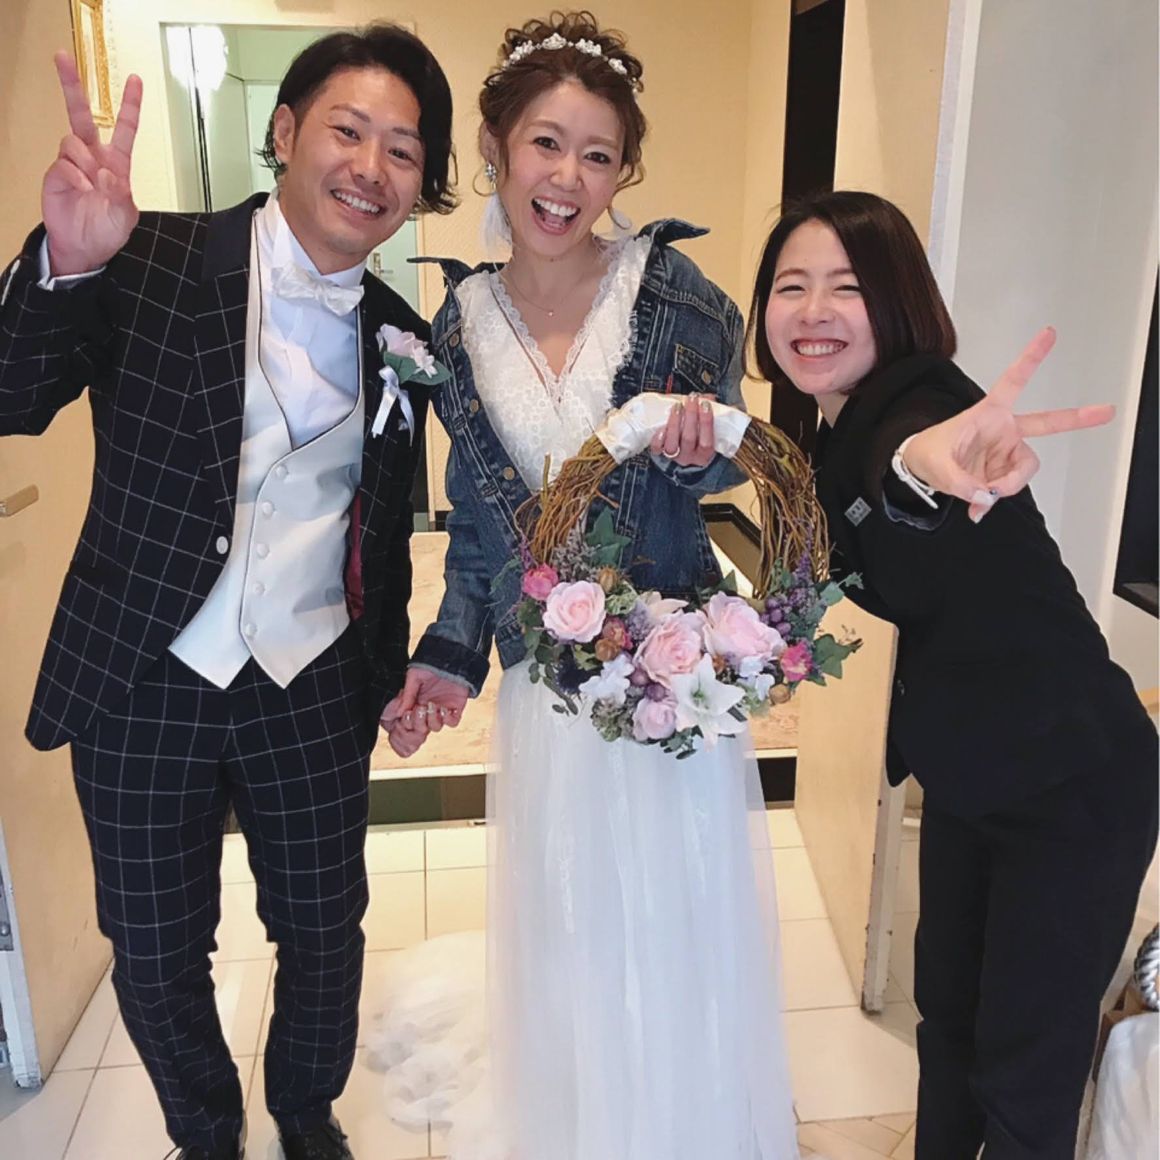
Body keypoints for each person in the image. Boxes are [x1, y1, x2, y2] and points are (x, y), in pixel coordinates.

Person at [0, 25, 456, 1160]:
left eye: (404, 150)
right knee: (155, 947)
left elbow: (381, 530)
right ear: (285, 132)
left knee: (325, 929)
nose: (371, 167)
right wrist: (64, 267)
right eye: (348, 130)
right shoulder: (144, 256)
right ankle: (206, 1134)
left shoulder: (404, 336)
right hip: (141, 673)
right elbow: (12, 396)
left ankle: (305, 1113)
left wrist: (390, 671)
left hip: (312, 678)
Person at [374, 12, 800, 1159]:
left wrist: (701, 451)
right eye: (546, 144)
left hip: (665, 667)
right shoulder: (457, 323)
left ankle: (679, 1118)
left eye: (598, 154)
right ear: (496, 145)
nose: (567, 177)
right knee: (569, 913)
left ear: (624, 172)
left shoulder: (675, 295)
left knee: (674, 910)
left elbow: (725, 459)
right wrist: (447, 656)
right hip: (545, 679)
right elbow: (476, 529)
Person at [748, 189, 1158, 1160]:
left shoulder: (919, 406)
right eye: (790, 286)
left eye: (846, 287)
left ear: (898, 303)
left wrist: (922, 472)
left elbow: (914, 466)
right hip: (975, 774)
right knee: (949, 1025)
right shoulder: (835, 426)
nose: (812, 310)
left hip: (1074, 786)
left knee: (1024, 1069)